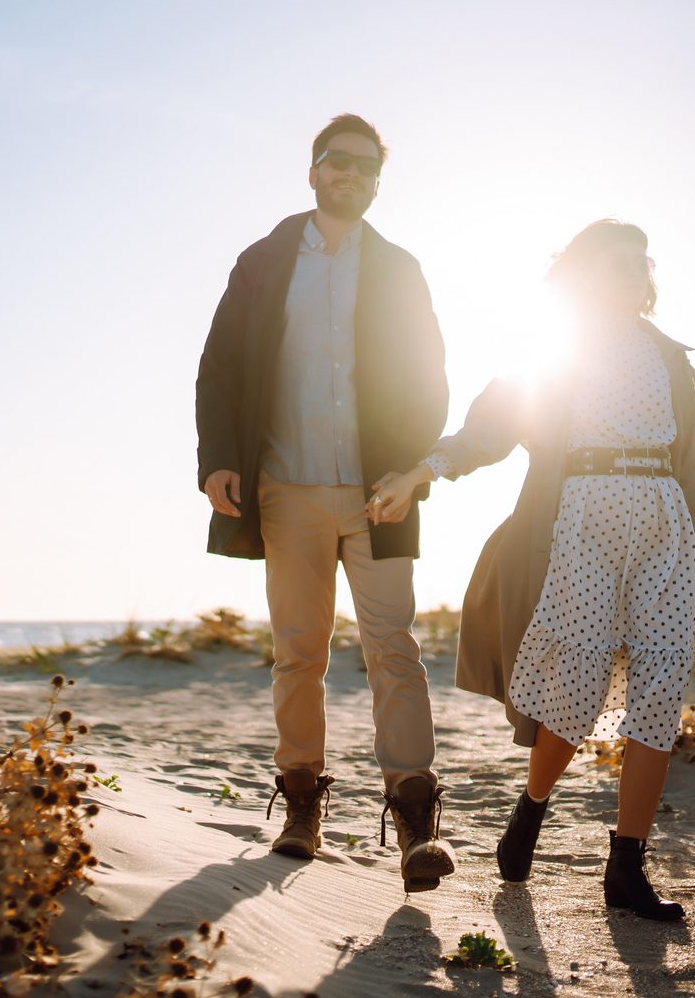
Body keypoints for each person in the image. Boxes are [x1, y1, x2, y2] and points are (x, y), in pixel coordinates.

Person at [369, 219, 695, 919]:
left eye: (641, 261)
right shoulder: (556, 353)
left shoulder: (674, 364)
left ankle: (626, 867)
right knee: (579, 686)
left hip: (664, 521)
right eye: (615, 261)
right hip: (581, 518)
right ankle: (531, 809)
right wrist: (425, 469)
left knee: (659, 695)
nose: (632, 271)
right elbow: (492, 426)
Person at [194, 113, 455, 892]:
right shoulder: (264, 260)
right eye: (338, 163)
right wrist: (217, 463)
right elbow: (218, 366)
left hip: (377, 493)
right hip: (286, 487)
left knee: (394, 650)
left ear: (377, 181)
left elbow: (429, 377)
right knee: (299, 652)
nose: (352, 177)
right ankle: (302, 807)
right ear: (313, 172)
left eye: (367, 168)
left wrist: (409, 468)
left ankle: (415, 824)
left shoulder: (400, 268)